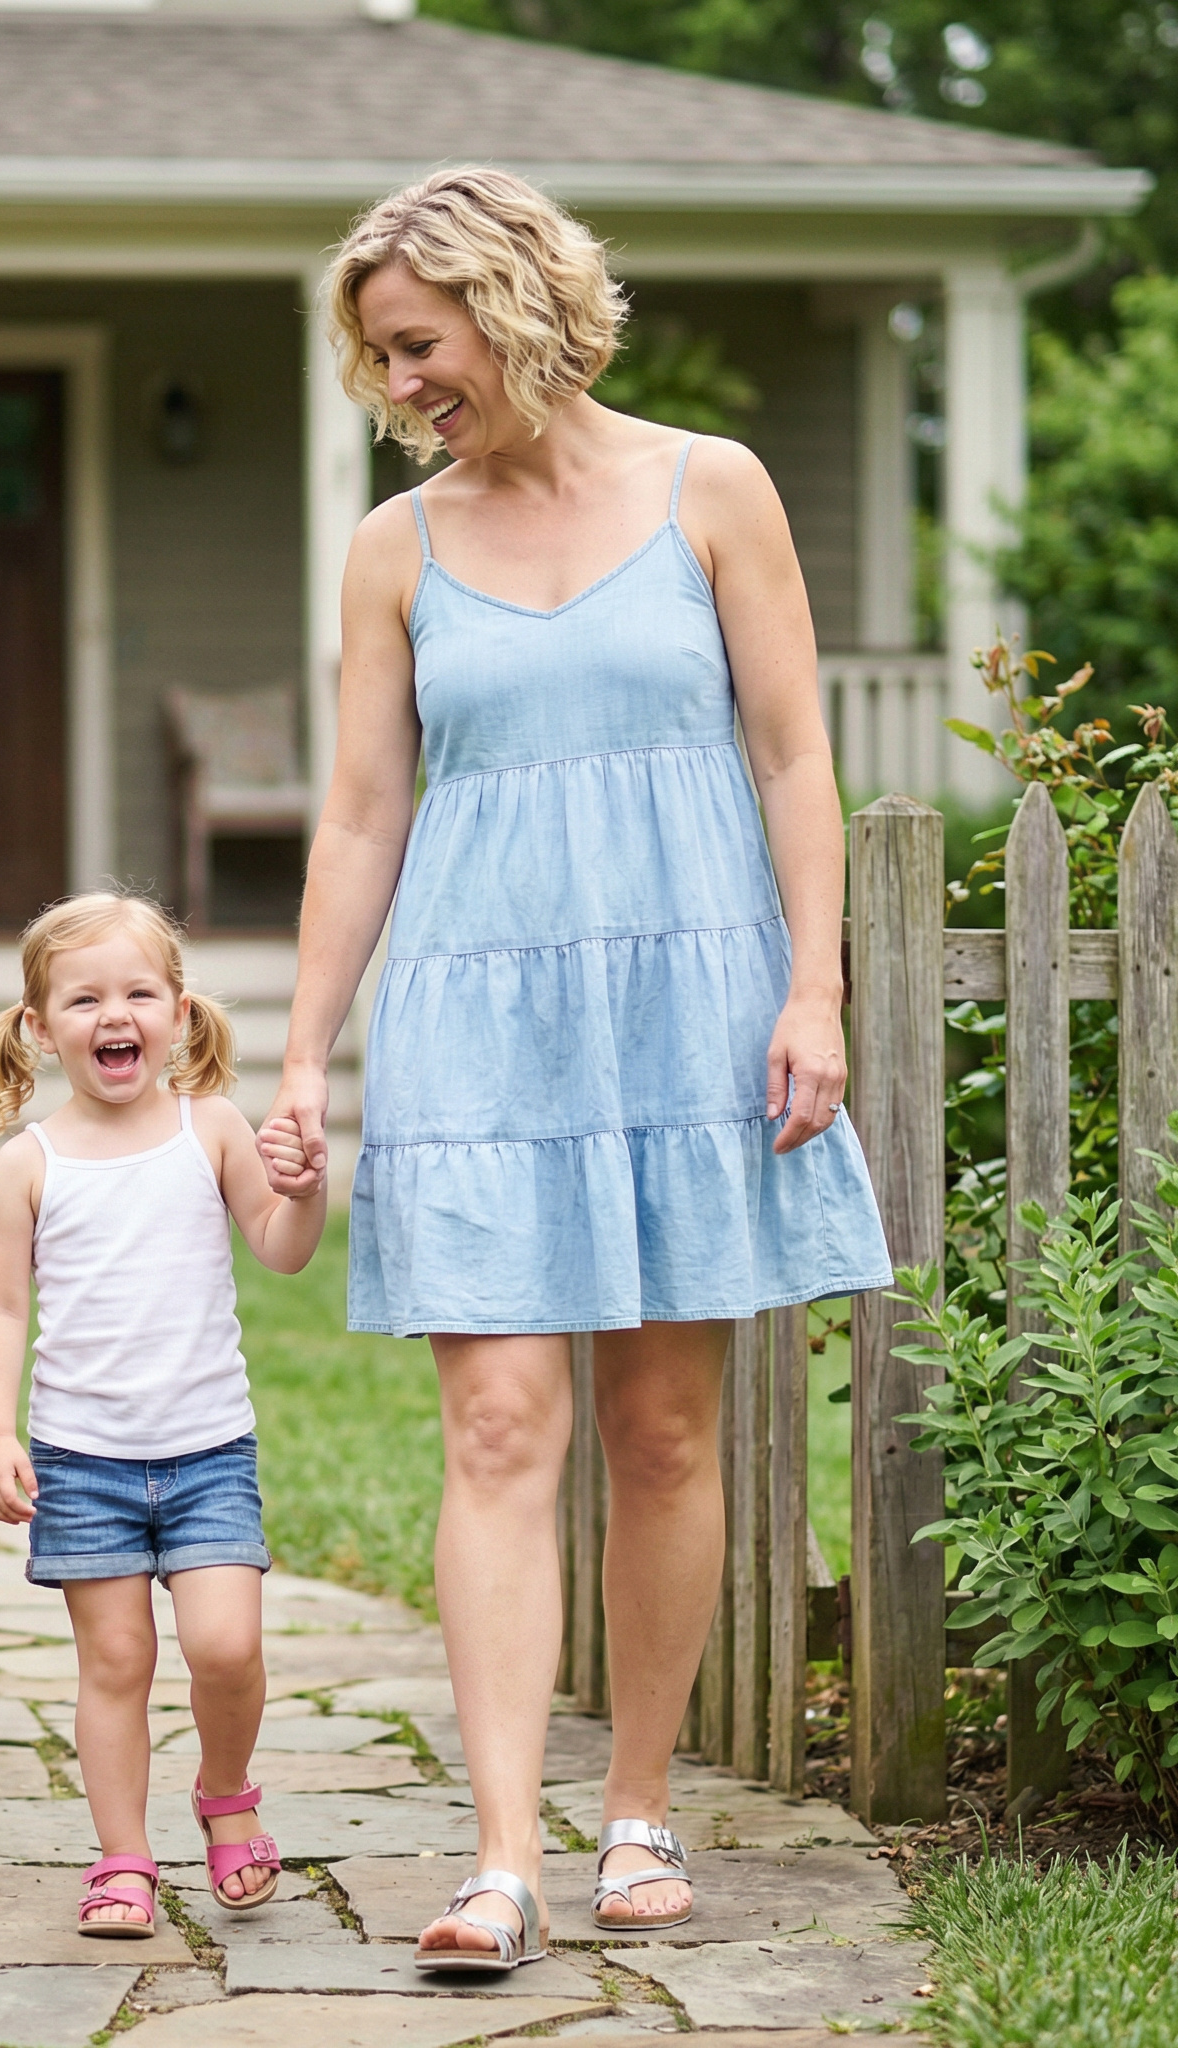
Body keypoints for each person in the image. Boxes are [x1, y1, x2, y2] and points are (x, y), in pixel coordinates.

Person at [260, 168, 893, 1972]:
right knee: (495, 1423)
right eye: (379, 361)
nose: (399, 388)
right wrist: (306, 1052)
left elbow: (788, 760)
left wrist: (811, 989)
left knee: (662, 1425)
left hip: (687, 1004)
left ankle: (634, 1813)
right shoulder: (393, 547)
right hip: (473, 1015)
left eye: (415, 347)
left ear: (509, 301)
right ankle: (497, 1855)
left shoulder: (714, 490)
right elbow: (363, 813)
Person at [0, 891, 328, 1937]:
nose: (111, 1013)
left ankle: (226, 1794)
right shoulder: (28, 1163)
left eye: (137, 991)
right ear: (40, 1026)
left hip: (208, 1450)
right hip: (82, 1460)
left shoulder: (206, 1128)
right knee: (114, 1661)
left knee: (223, 1645)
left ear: (177, 1010)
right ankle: (122, 1858)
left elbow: (280, 1244)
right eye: (82, 997)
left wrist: (302, 1189)